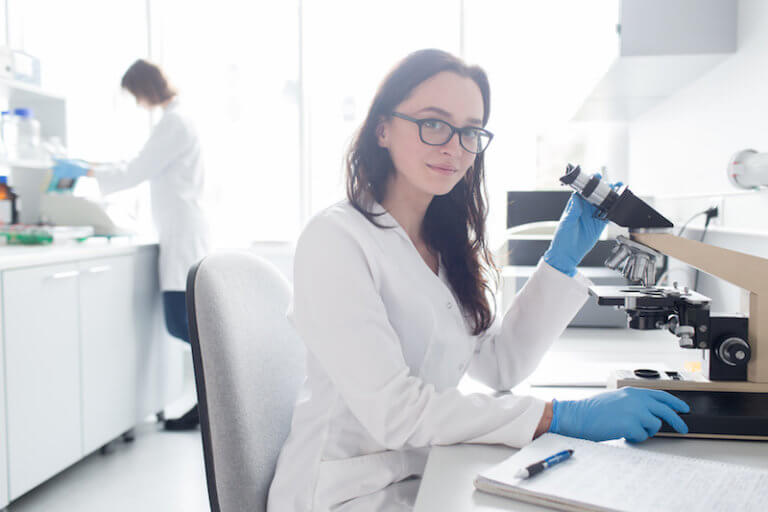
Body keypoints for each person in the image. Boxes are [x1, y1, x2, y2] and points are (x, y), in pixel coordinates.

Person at [266, 49, 690, 511]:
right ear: (382, 128)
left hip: (425, 473)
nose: (454, 146)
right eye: (433, 123)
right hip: (343, 492)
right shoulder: (336, 239)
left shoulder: (443, 245)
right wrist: (559, 416)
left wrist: (561, 259)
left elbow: (499, 364)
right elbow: (396, 413)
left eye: (470, 131)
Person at [53, 59, 210, 431]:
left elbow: (135, 170)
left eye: (136, 95)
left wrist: (84, 170)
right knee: (183, 323)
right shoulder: (176, 119)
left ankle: (213, 403)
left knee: (182, 323)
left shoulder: (175, 122)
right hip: (181, 231)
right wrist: (88, 165)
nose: (138, 103)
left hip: (184, 234)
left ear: (145, 88)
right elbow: (136, 164)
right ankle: (211, 404)